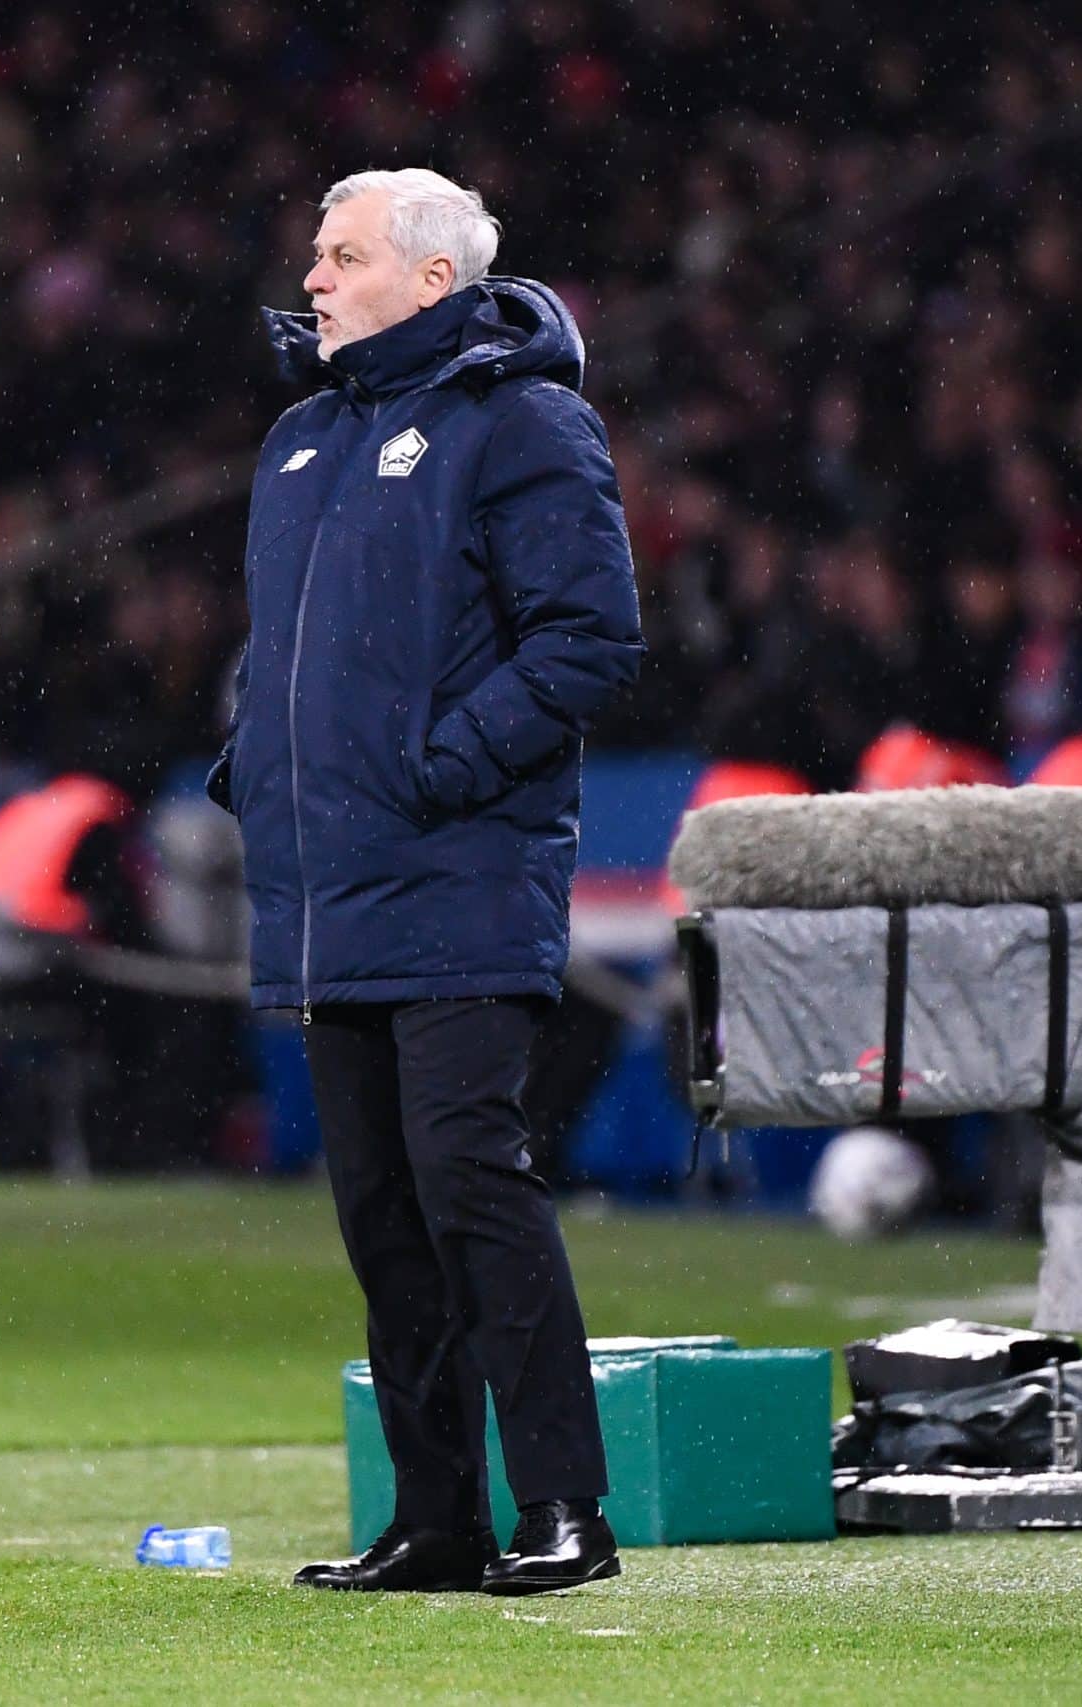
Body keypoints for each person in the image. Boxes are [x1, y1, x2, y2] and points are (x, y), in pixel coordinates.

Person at [211, 170, 642, 1595]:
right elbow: (280, 652)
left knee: (473, 1186)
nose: (315, 279)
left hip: (458, 871)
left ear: (433, 280)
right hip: (335, 885)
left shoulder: (521, 420)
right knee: (385, 1217)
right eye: (317, 256)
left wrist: (437, 768)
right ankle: (437, 1511)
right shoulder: (298, 440)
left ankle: (568, 1505)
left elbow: (589, 639)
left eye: (344, 257)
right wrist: (250, 769)